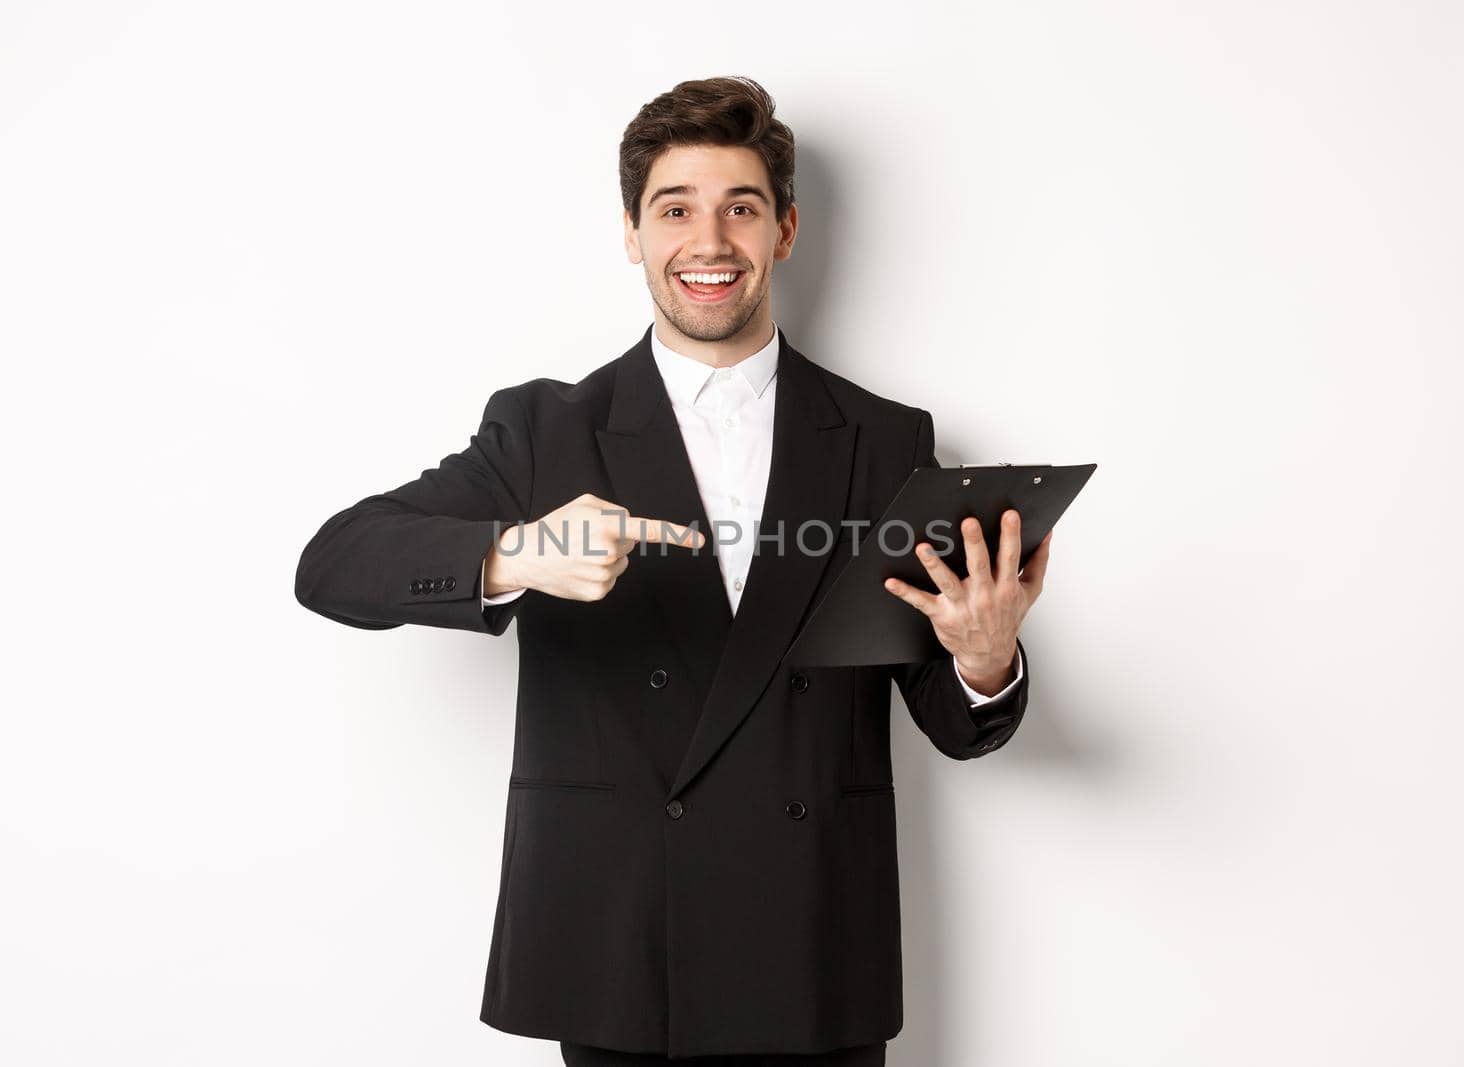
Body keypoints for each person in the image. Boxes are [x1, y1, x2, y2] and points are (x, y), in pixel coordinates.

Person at [294, 75, 1051, 1066]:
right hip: (622, 949)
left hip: (814, 944)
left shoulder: (882, 438)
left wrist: (984, 659)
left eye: (739, 208)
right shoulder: (543, 430)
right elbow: (331, 562)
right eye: (675, 208)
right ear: (631, 232)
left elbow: (956, 722)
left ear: (783, 230)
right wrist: (517, 552)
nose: (708, 240)